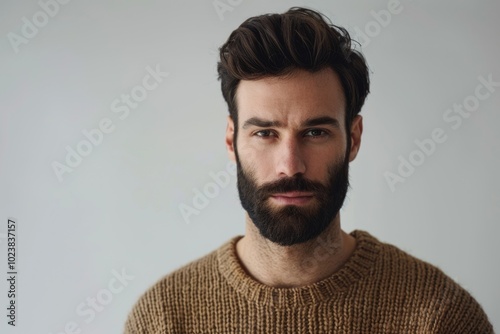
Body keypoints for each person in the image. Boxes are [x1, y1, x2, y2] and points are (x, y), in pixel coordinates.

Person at [124, 7, 493, 333]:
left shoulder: (439, 317)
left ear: (353, 138)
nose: (290, 165)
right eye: (265, 133)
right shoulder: (164, 319)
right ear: (231, 140)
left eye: (315, 132)